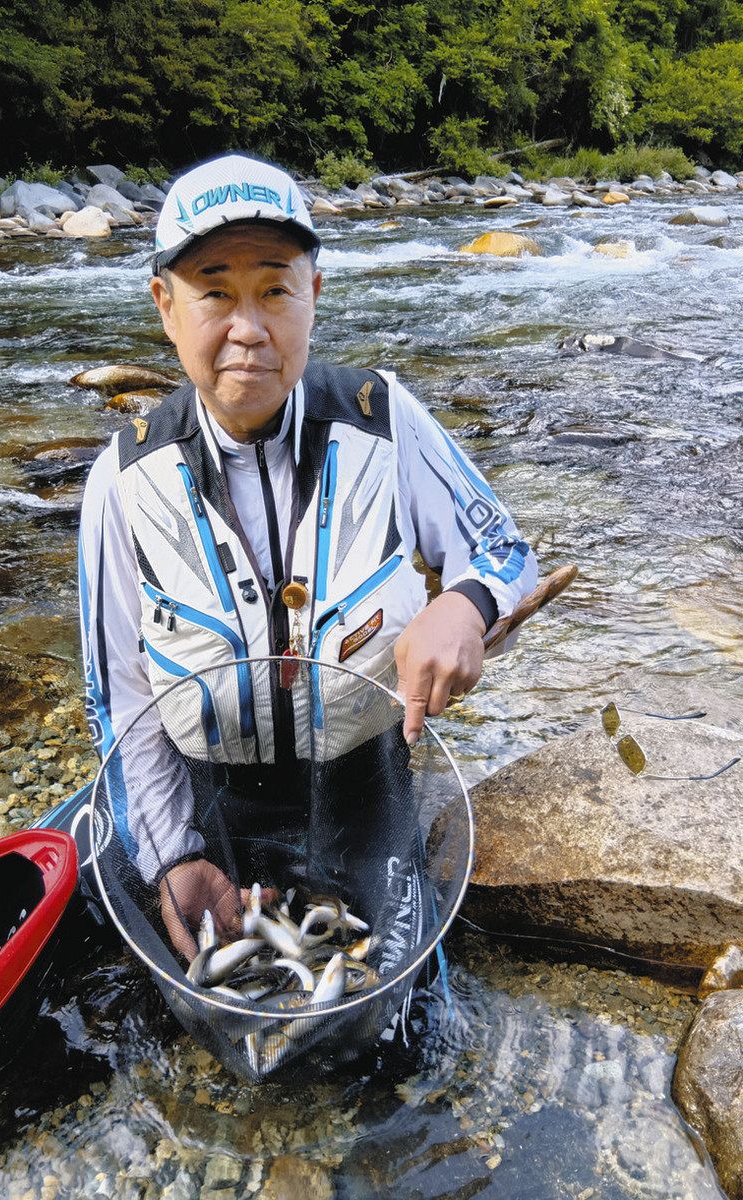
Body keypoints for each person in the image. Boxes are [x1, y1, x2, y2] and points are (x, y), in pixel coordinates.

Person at [79, 153, 537, 960]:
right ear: (166, 307)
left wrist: (467, 603)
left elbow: (501, 549)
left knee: (387, 1023)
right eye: (214, 290)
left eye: (275, 290)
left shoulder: (387, 420)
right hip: (208, 801)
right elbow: (117, 700)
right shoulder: (121, 481)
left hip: (367, 787)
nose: (247, 328)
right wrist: (174, 856)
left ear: (314, 296)